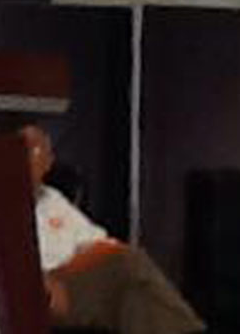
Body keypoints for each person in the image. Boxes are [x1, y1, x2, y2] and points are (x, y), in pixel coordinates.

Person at [19, 125, 206, 334]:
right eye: (25, 152)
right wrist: (43, 281)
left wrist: (98, 259)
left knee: (134, 293)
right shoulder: (2, 205)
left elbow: (96, 241)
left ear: (48, 162)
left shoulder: (53, 199)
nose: (31, 161)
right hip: (41, 287)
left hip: (75, 276)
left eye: (38, 153)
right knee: (130, 265)